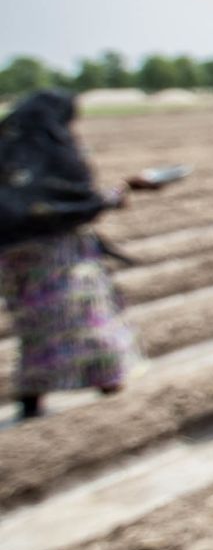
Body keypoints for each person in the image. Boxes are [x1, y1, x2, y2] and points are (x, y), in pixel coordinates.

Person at [0, 91, 161, 418]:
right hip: (59, 255)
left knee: (35, 326)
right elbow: (76, 203)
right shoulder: (56, 154)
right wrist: (121, 192)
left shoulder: (7, 151)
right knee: (85, 316)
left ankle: (32, 396)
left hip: (13, 258)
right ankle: (109, 382)